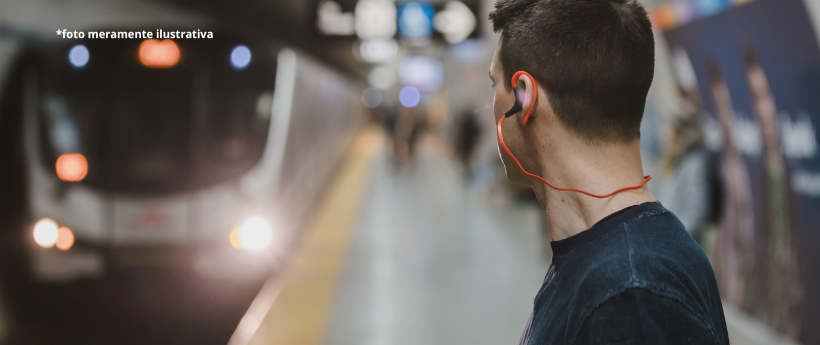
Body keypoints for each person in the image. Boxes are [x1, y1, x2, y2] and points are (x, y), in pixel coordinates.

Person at [487, 0, 729, 344]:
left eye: (493, 85)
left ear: (524, 97)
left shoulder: (629, 296)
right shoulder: (616, 264)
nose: (491, 105)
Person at [742, 45, 803, 339]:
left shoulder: (798, 169)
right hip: (774, 315)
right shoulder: (759, 172)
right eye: (755, 98)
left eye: (766, 95)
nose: (762, 109)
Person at [706, 59, 757, 314]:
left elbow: (745, 230)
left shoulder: (741, 169)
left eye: (726, 107)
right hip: (722, 270)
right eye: (718, 108)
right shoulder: (718, 163)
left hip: (737, 275)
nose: (724, 118)